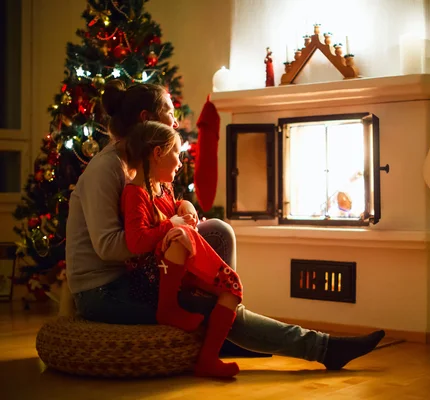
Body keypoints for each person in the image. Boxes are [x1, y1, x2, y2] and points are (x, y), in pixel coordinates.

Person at [65, 80, 384, 374]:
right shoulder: (106, 170)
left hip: (140, 271)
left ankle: (227, 328)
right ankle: (322, 347)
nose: (176, 124)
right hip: (106, 289)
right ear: (147, 119)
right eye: (170, 114)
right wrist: (168, 230)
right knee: (209, 302)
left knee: (217, 230)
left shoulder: (147, 163)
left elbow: (159, 210)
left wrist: (183, 207)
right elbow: (108, 247)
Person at [120, 120, 244, 377]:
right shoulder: (135, 193)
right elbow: (135, 242)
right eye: (176, 153)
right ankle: (167, 308)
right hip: (151, 278)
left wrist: (184, 205)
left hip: (175, 270)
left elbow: (174, 208)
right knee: (178, 236)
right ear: (158, 154)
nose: (180, 162)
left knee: (232, 289)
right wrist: (170, 225)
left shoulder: (163, 189)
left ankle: (209, 358)